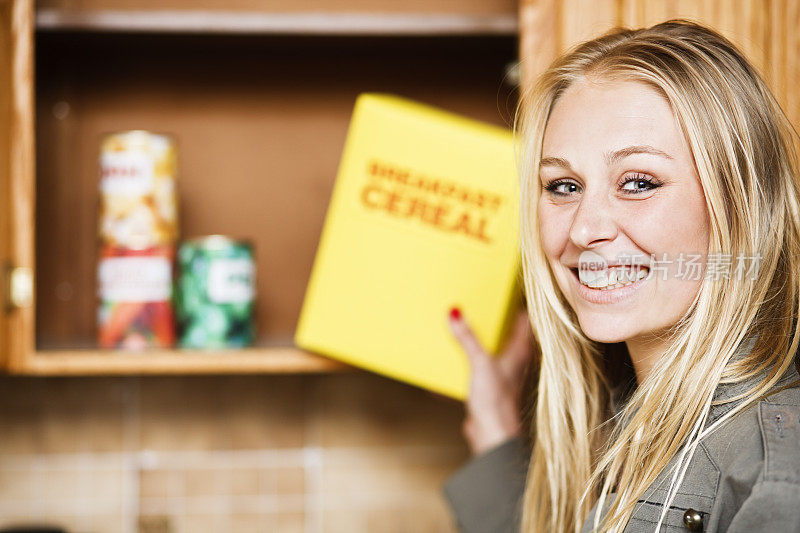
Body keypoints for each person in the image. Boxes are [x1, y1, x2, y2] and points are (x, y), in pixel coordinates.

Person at [441, 20, 800, 533]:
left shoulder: (777, 471)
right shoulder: (629, 423)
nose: (585, 229)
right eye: (563, 186)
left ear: (739, 207)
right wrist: (497, 433)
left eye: (637, 182)